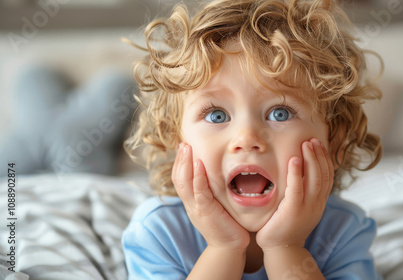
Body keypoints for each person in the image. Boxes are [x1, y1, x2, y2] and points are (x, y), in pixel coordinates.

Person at [122, 0, 383, 278]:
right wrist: (224, 248)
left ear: (334, 140)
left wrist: (286, 246)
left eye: (280, 113)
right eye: (217, 115)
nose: (247, 139)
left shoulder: (343, 231)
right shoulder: (159, 232)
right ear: (177, 140)